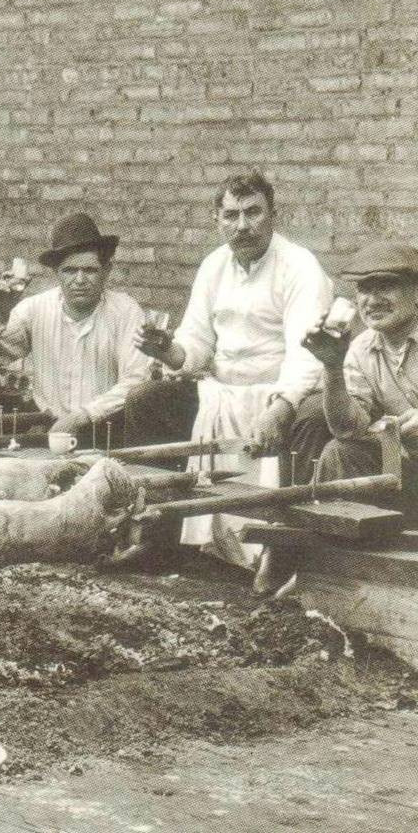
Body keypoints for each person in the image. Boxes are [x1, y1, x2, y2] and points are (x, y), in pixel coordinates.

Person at [131, 171, 332, 583]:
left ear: (274, 215)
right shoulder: (214, 265)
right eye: (231, 215)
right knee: (146, 400)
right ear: (217, 219)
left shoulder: (300, 267)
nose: (242, 226)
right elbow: (197, 342)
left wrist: (281, 406)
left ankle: (284, 557)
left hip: (282, 390)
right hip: (222, 393)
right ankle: (159, 533)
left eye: (253, 213)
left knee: (312, 416)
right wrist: (166, 350)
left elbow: (308, 353)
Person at [0, 213, 151, 444]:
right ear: (56, 273)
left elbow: (135, 380)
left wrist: (83, 416)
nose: (80, 280)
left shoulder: (125, 310)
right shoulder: (34, 308)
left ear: (107, 270)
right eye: (69, 270)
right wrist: (0, 314)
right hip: (47, 422)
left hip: (103, 425)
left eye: (90, 270)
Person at [302, 241, 418, 481]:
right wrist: (332, 367)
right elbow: (348, 430)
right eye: (365, 289)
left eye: (386, 286)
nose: (373, 301)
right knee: (339, 452)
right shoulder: (360, 349)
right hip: (408, 469)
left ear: (416, 291)